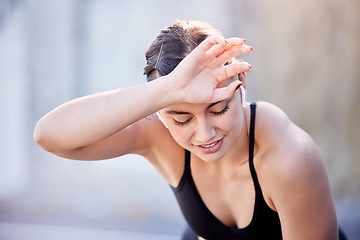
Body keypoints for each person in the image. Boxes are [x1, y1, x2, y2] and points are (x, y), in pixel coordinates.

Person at [34, 20, 345, 240]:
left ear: (242, 86)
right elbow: (49, 136)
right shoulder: (156, 134)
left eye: (219, 108)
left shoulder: (288, 158)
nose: (205, 134)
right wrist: (169, 90)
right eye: (181, 118)